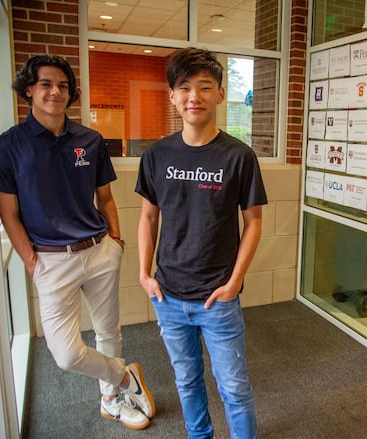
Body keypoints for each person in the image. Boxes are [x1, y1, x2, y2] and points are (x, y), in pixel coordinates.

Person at [0, 54, 155, 430]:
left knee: (107, 331)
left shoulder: (90, 140)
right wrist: (32, 262)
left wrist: (115, 240)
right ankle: (125, 378)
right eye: (46, 84)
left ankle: (111, 401)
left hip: (99, 250)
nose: (55, 92)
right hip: (50, 261)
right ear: (29, 90)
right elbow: (8, 214)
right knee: (65, 354)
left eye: (63, 86)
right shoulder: (8, 146)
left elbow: (106, 198)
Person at [136, 47, 267, 438]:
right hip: (168, 296)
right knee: (187, 382)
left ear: (220, 95)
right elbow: (148, 216)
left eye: (205, 87)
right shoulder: (157, 155)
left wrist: (234, 283)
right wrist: (144, 274)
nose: (195, 96)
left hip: (218, 298)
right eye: (185, 87)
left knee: (234, 388)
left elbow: (254, 223)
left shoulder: (239, 156)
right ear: (173, 96)